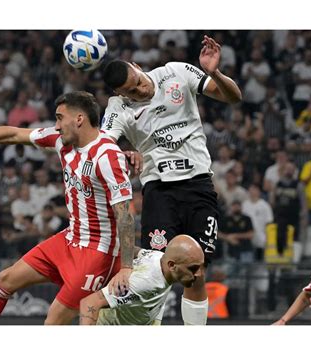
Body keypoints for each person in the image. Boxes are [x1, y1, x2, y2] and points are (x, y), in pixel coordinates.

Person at [0, 91, 136, 325]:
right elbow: (14, 134)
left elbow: (125, 216)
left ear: (79, 119)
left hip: (97, 252)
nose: (56, 126)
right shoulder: (62, 141)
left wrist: (126, 268)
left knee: (53, 321)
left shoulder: (107, 155)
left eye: (60, 118)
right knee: (5, 279)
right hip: (70, 239)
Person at [101, 35, 242, 325]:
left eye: (138, 81)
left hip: (198, 186)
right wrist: (124, 152)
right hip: (159, 192)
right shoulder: (118, 107)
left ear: (137, 66)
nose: (140, 90)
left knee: (195, 271)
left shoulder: (175, 72)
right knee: (155, 269)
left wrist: (214, 71)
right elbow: (103, 146)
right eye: (131, 91)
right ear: (120, 93)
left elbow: (233, 96)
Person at [79, 234, 204, 325]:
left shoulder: (159, 257)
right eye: (193, 268)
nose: (199, 274)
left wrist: (124, 267)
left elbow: (136, 251)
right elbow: (89, 303)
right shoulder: (142, 283)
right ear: (171, 266)